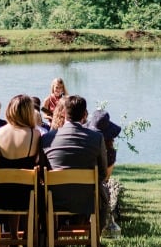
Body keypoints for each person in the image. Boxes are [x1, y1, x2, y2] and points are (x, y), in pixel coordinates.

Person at [41, 94, 114, 234]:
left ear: (63, 113)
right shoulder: (96, 138)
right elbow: (103, 173)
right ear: (85, 114)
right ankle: (96, 234)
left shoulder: (47, 138)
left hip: (55, 198)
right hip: (87, 199)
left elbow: (43, 171)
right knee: (102, 189)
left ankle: (50, 235)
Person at [0, 94, 43, 230]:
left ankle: (13, 234)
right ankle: (28, 234)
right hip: (26, 193)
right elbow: (38, 160)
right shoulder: (35, 135)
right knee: (28, 186)